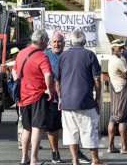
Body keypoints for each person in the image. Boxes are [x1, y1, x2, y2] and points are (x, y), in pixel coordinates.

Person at [56, 29, 105, 165]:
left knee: (71, 132)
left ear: (71, 42)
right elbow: (97, 80)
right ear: (84, 41)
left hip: (67, 102)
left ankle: (74, 160)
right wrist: (98, 98)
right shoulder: (90, 55)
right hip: (85, 101)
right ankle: (95, 160)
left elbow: (57, 81)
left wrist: (60, 98)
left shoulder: (63, 56)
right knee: (89, 130)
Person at [14, 29, 54, 165]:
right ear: (42, 41)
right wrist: (50, 90)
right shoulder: (42, 56)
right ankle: (34, 160)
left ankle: (24, 157)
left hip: (23, 97)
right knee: (37, 127)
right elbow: (48, 75)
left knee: (26, 128)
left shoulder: (21, 54)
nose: (47, 44)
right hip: (38, 95)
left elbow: (14, 72)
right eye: (47, 41)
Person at [107, 39, 127, 154]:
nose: (122, 49)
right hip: (123, 92)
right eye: (119, 48)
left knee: (113, 118)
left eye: (123, 47)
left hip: (115, 91)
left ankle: (111, 146)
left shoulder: (112, 59)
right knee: (123, 120)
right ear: (113, 48)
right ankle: (124, 147)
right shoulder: (119, 60)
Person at [44, 32, 65, 164]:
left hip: (68, 96)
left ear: (64, 43)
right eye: (55, 42)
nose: (57, 44)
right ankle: (55, 152)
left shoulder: (67, 55)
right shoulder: (45, 55)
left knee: (71, 126)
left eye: (59, 42)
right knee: (52, 126)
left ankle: (77, 151)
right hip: (52, 97)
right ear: (51, 43)